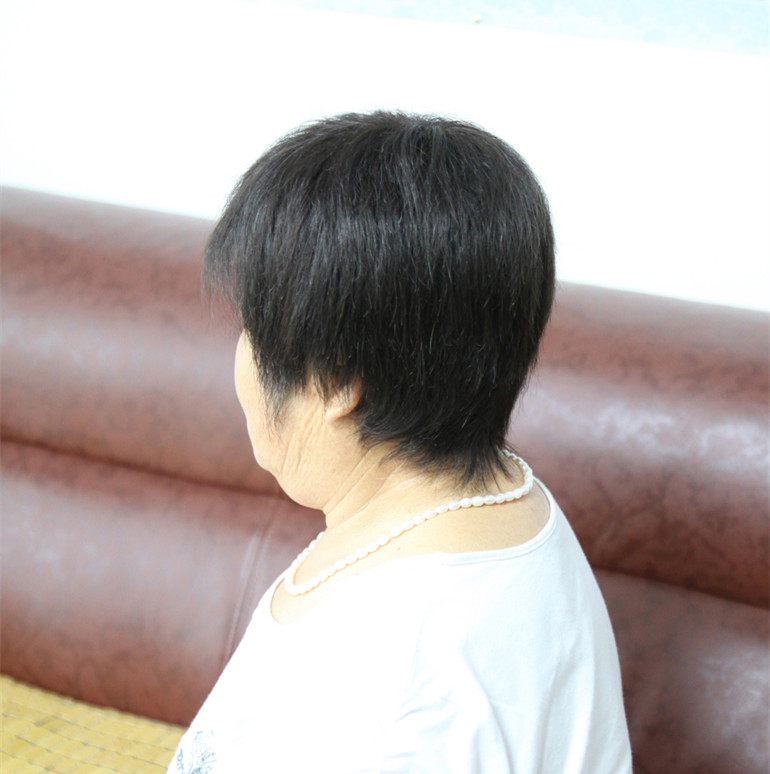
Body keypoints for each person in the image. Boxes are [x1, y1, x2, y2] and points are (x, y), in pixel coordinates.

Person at [168, 109, 633, 773]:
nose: (241, 353)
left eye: (253, 328)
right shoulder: (501, 500)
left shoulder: (401, 705)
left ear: (334, 381)